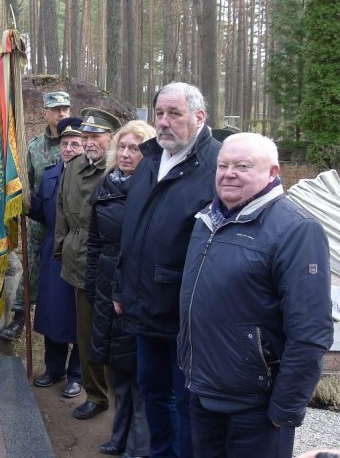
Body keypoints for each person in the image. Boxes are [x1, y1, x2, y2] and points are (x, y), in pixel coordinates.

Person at [178, 133, 332, 458]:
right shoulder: (207, 220)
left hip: (255, 408)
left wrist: (285, 409)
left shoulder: (295, 230)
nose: (229, 172)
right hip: (203, 392)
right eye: (223, 165)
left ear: (273, 172)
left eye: (243, 166)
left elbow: (311, 332)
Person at [114, 82, 221, 458]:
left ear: (199, 117)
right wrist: (119, 288)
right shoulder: (151, 159)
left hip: (184, 314)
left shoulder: (215, 167)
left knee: (187, 405)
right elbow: (132, 230)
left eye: (174, 114)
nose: (164, 122)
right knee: (153, 392)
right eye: (159, 113)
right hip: (142, 306)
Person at [86, 120, 156, 457]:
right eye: (123, 147)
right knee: (116, 369)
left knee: (140, 374)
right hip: (105, 282)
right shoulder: (106, 185)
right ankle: (118, 435)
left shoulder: (154, 188)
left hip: (134, 287)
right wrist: (91, 285)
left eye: (136, 148)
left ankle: (137, 447)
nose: (127, 154)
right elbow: (95, 240)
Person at [55, 106, 120, 421]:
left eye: (96, 136)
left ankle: (123, 401)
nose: (89, 141)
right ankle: (96, 395)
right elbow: (61, 212)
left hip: (113, 265)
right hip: (78, 261)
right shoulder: (74, 167)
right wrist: (60, 249)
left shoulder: (121, 169)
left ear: (111, 138)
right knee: (86, 333)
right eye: (86, 136)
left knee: (115, 336)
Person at [0, 91, 71, 341]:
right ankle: (19, 319)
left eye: (66, 109)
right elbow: (25, 184)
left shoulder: (75, 143)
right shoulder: (35, 147)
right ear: (45, 114)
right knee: (30, 273)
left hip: (71, 226)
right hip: (42, 223)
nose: (62, 113)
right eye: (57, 109)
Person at [29, 116, 84, 398]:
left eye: (76, 143)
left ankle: (77, 374)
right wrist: (25, 200)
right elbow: (42, 212)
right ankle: (53, 369)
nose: (69, 148)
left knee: (77, 316)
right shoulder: (50, 174)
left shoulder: (91, 177)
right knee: (52, 312)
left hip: (80, 253)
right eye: (65, 143)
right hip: (52, 252)